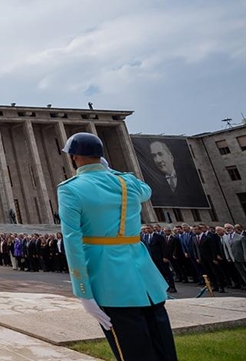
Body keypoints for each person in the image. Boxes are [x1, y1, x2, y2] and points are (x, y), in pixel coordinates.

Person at [58, 132, 177, 361]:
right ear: (101, 157)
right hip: (146, 282)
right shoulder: (127, 182)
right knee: (164, 350)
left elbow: (72, 240)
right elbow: (146, 191)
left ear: (74, 157)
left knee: (133, 353)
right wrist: (110, 172)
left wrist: (83, 292)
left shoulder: (70, 188)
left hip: (111, 283)